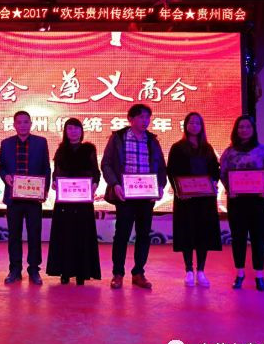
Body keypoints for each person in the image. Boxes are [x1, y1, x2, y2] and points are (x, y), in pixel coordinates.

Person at [101, 104, 167, 290]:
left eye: (147, 117)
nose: (145, 121)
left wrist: (160, 186)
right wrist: (115, 184)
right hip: (125, 195)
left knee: (144, 235)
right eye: (140, 117)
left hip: (146, 196)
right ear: (130, 119)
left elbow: (161, 167)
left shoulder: (152, 140)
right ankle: (118, 273)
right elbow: (106, 164)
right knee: (122, 234)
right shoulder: (118, 138)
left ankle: (139, 273)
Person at [220, 115, 264, 292]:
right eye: (241, 127)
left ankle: (259, 275)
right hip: (237, 202)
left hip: (258, 201)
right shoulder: (229, 152)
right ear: (236, 130)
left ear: (253, 130)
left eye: (247, 127)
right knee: (238, 238)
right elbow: (223, 173)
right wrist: (230, 188)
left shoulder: (263, 150)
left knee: (258, 238)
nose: (244, 130)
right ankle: (240, 273)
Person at [167, 112, 222, 287]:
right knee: (187, 233)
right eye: (191, 123)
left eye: (197, 123)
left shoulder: (207, 148)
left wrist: (214, 182)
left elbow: (215, 170)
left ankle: (201, 271)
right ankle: (189, 270)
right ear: (185, 125)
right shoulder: (177, 147)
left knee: (203, 234)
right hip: (186, 199)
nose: (194, 126)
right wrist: (179, 190)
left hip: (205, 200)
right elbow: (171, 171)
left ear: (201, 126)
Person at [46, 118, 101, 285]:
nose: (73, 131)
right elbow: (56, 172)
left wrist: (94, 184)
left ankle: (81, 273)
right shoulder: (60, 150)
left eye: (76, 128)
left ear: (81, 131)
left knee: (82, 234)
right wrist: (54, 182)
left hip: (83, 200)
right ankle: (64, 272)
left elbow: (96, 172)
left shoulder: (88, 149)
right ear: (65, 131)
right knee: (64, 234)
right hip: (65, 201)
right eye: (69, 128)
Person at [0, 111, 51, 285]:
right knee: (14, 235)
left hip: (33, 198)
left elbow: (46, 168)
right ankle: (15, 269)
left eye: (26, 122)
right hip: (13, 198)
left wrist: (44, 191)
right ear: (14, 125)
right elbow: (2, 167)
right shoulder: (6, 143)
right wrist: (5, 176)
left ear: (31, 124)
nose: (22, 125)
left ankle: (34, 270)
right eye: (19, 122)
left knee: (34, 234)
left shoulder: (41, 142)